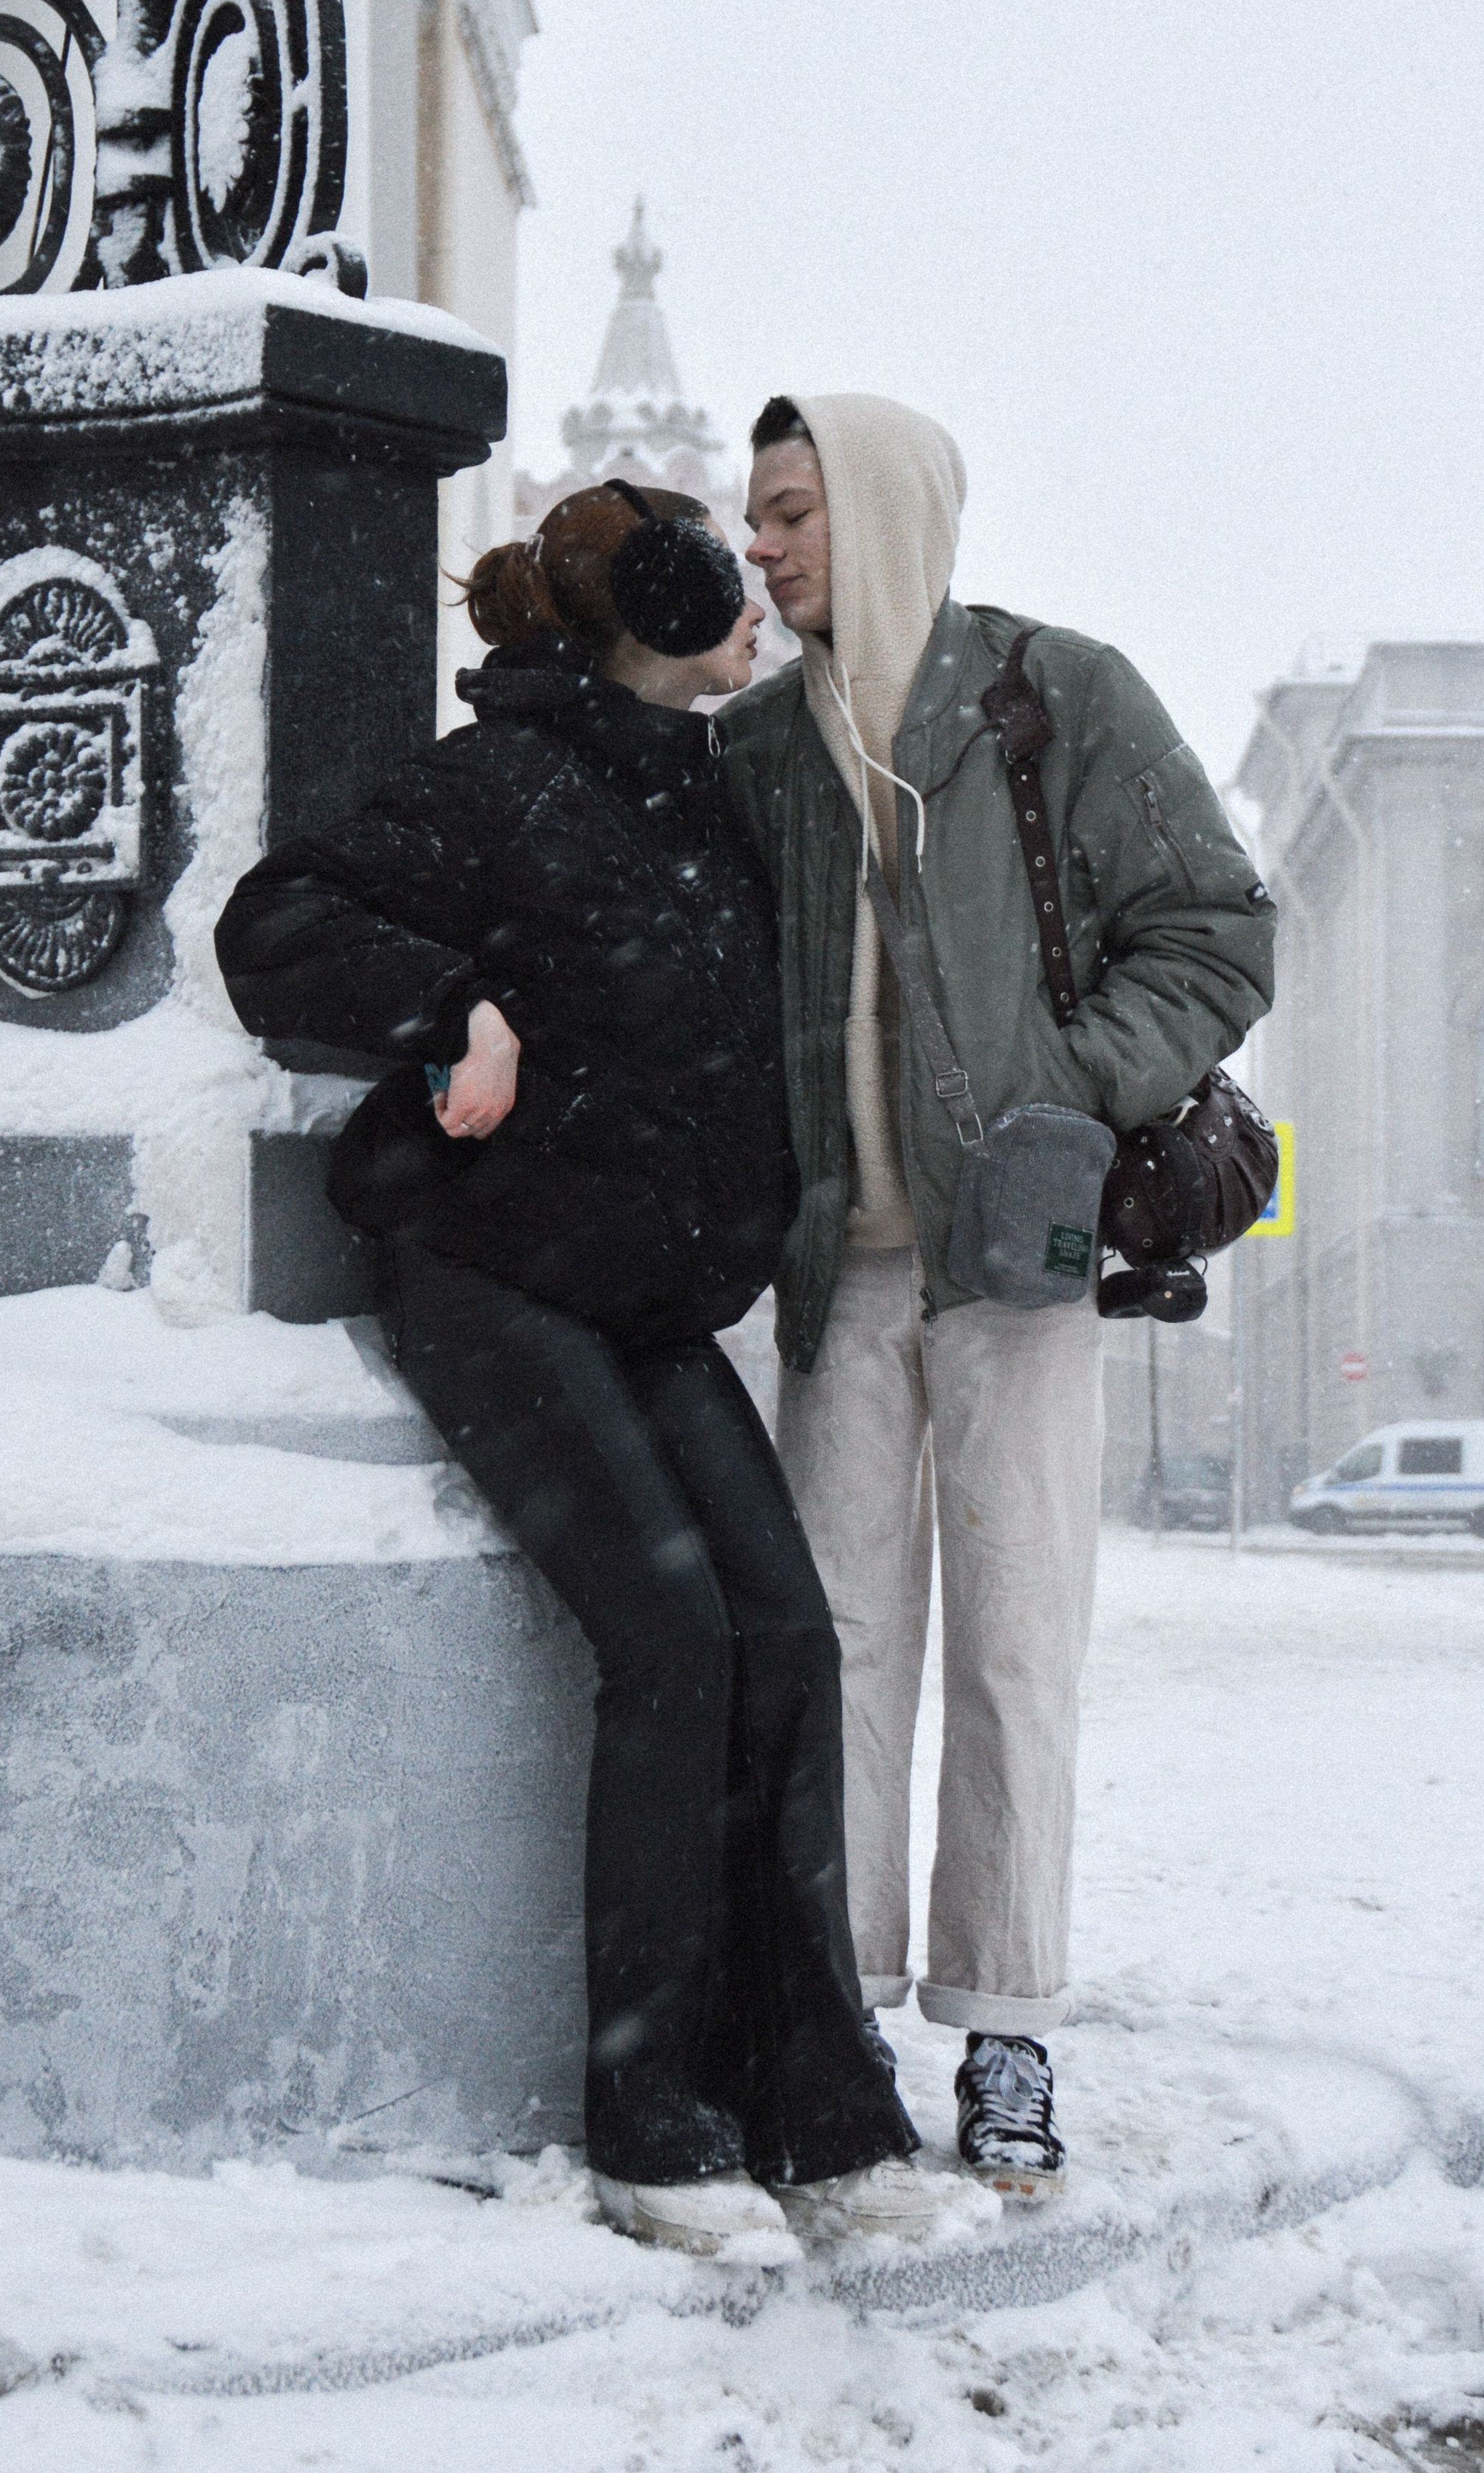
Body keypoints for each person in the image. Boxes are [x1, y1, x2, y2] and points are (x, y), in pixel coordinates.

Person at [215, 479, 948, 2257]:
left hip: (640, 1294)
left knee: (785, 1638)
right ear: (662, 596)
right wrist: (456, 1004)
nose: (754, 609)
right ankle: (655, 2120)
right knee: (675, 1640)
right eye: (726, 575)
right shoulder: (498, 779)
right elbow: (276, 921)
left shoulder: (714, 790)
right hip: (488, 1272)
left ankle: (820, 2109)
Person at [718, 395, 1277, 2196]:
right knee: (842, 1647)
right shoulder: (757, 745)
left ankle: (1006, 2019)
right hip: (839, 1270)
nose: (765, 547)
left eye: (793, 512)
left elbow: (1211, 924)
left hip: (1018, 1264)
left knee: (1018, 1643)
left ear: (875, 511)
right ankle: (845, 2010)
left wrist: (1068, 1094)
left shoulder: (1052, 695)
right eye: (753, 517)